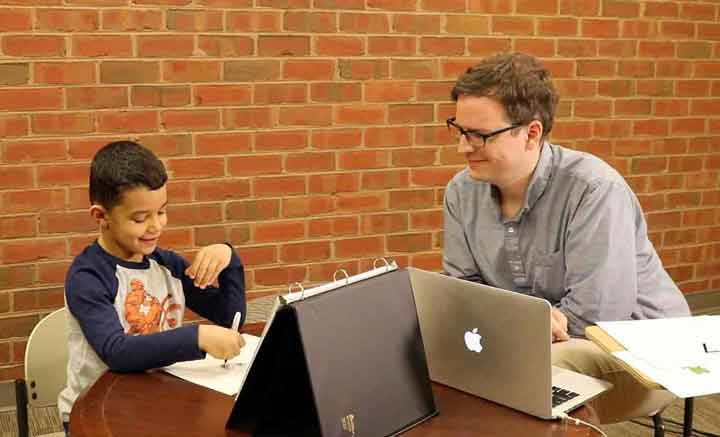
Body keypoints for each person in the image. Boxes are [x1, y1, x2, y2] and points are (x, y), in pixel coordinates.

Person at [442, 52, 691, 423]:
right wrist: (524, 323)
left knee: (526, 377)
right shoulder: (461, 191)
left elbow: (598, 316)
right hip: (532, 342)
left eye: (479, 135)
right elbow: (464, 290)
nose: (464, 146)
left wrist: (512, 327)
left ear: (531, 133)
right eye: (460, 130)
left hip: (641, 351)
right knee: (430, 358)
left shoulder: (593, 189)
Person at [58, 141, 247, 434]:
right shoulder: (88, 276)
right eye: (140, 218)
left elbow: (229, 318)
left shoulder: (166, 264)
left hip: (155, 401)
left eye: (161, 212)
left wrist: (230, 259)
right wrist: (196, 336)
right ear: (101, 216)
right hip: (95, 413)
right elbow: (117, 352)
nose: (156, 226)